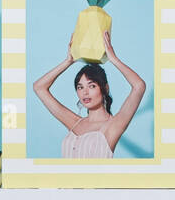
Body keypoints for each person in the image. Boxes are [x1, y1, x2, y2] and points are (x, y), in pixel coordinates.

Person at [33, 30, 146, 159]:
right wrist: (68, 61)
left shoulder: (113, 126)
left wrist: (113, 59)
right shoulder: (74, 122)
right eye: (80, 87)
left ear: (105, 88)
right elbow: (39, 87)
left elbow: (139, 86)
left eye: (92, 86)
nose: (85, 92)